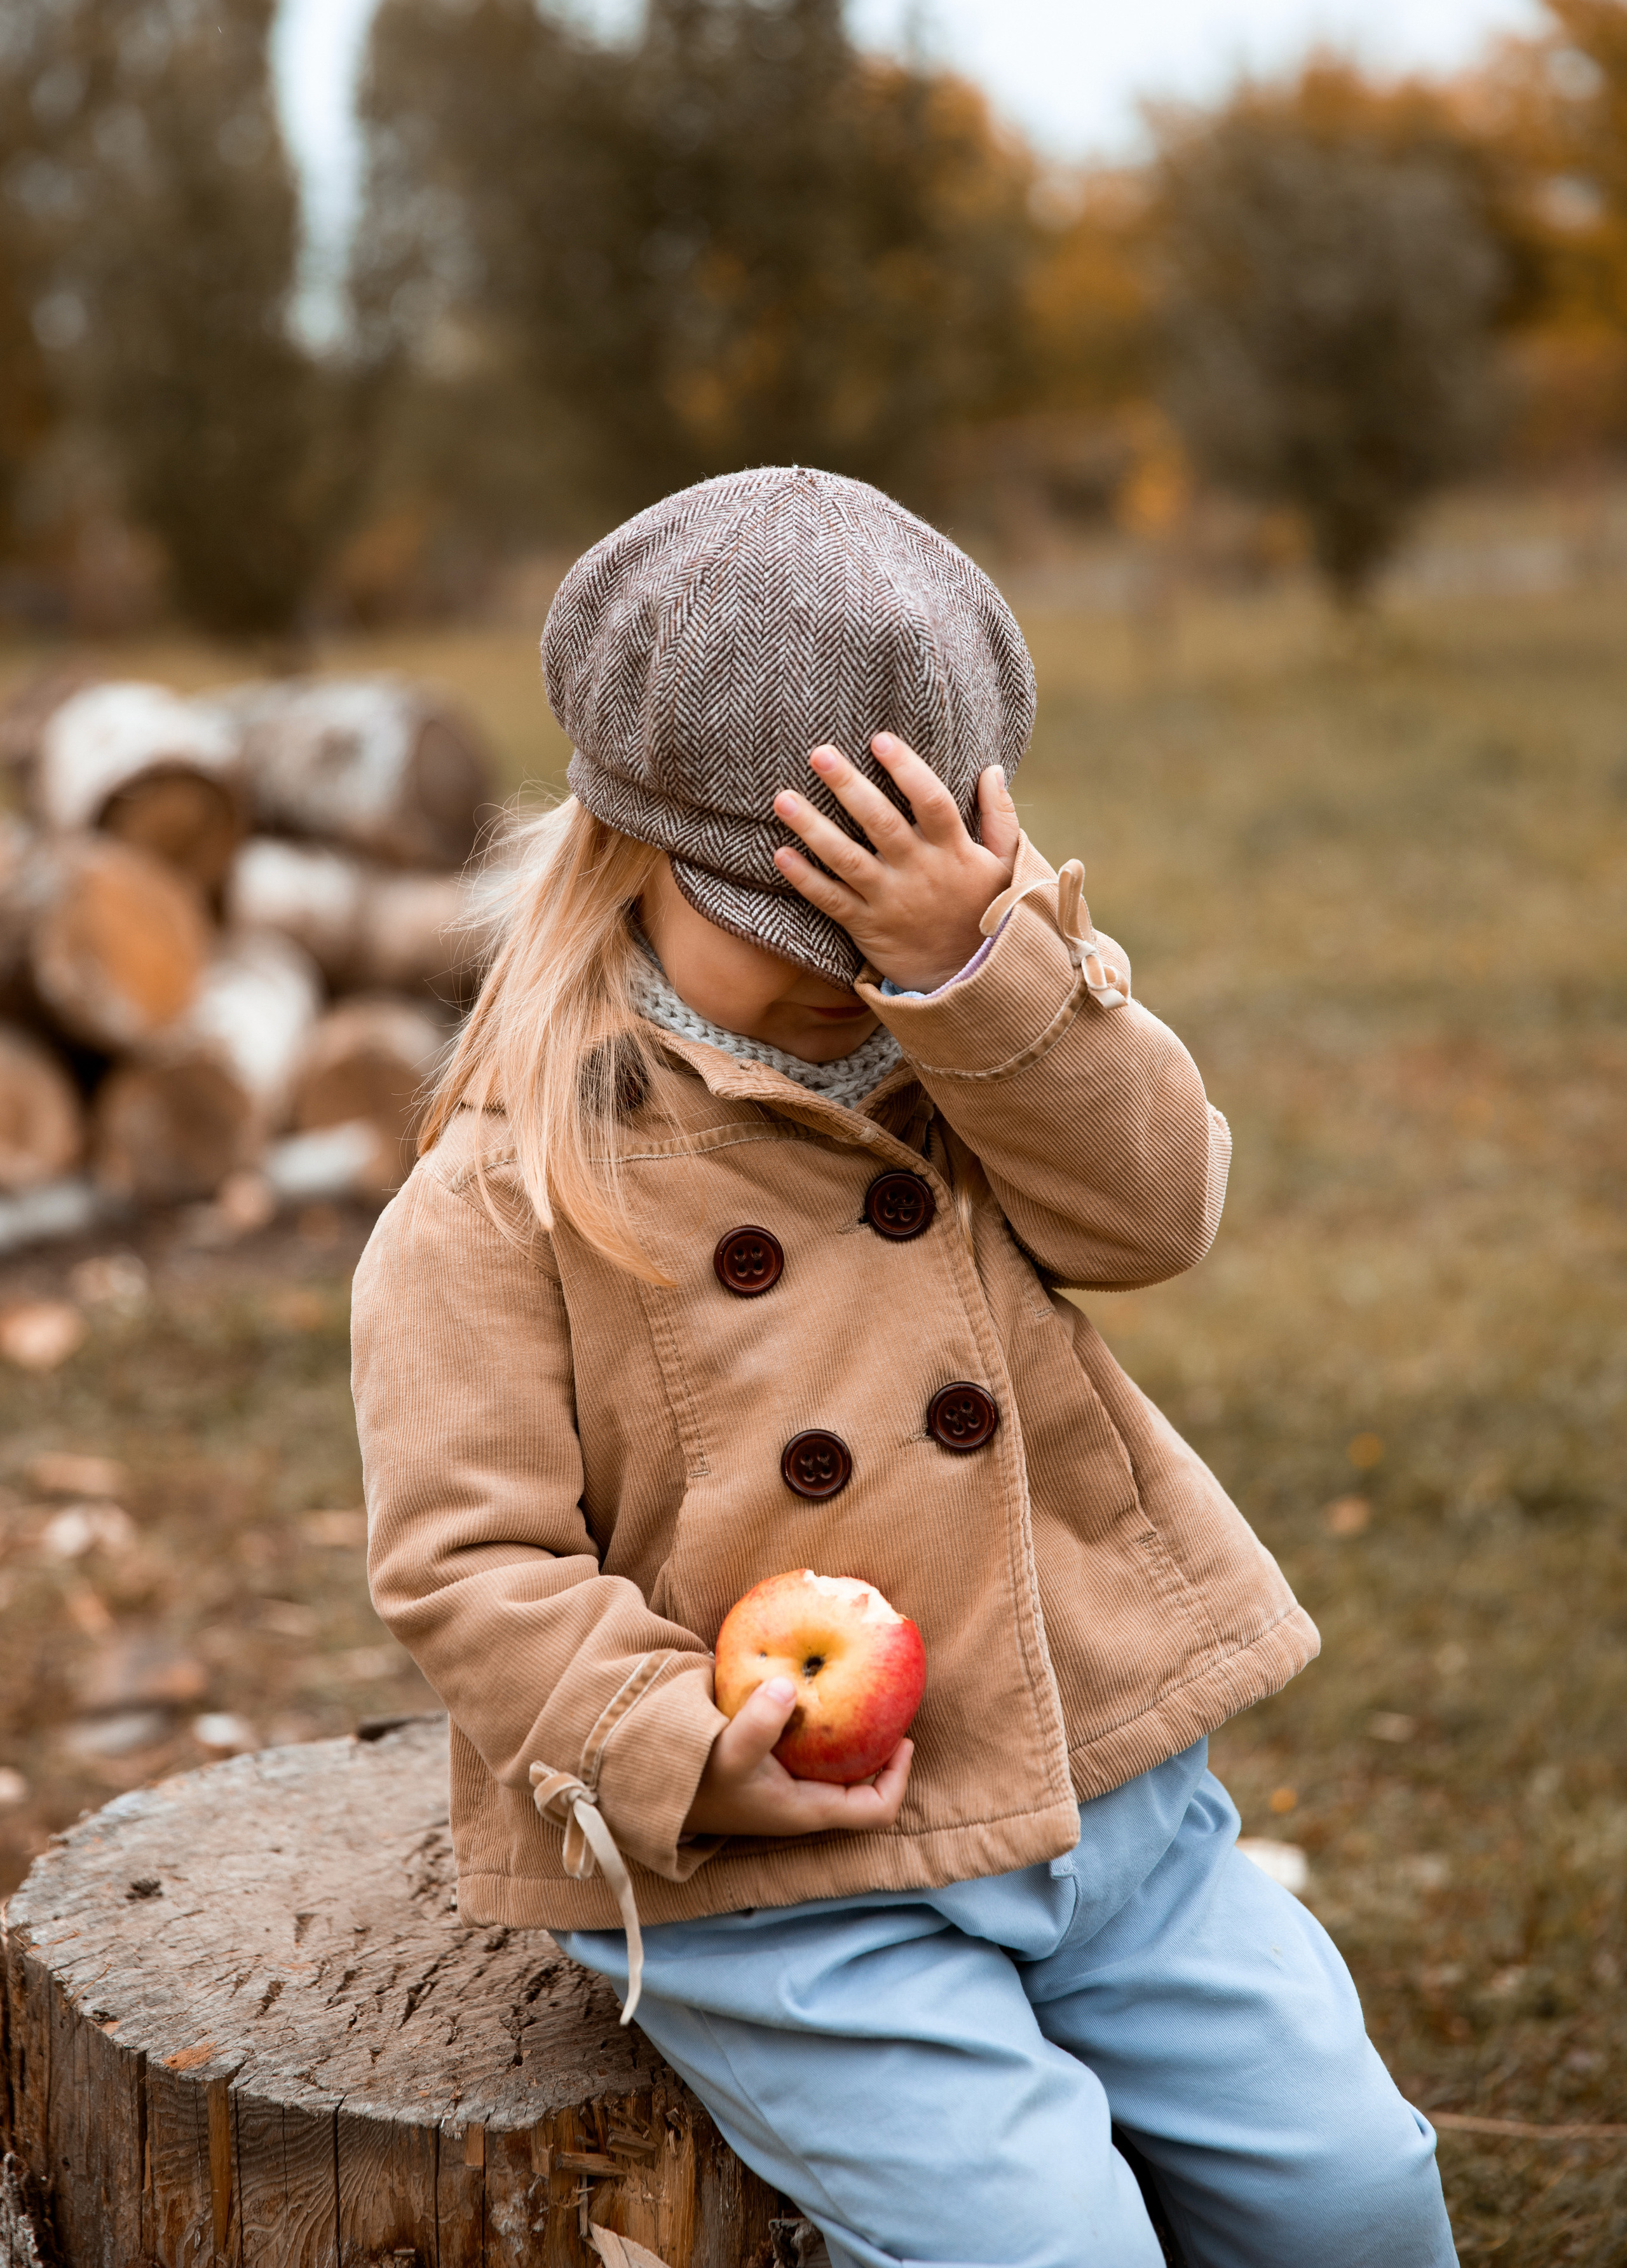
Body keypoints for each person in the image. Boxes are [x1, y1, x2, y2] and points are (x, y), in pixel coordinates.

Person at [352, 466, 1456, 2268]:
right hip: (780, 1880)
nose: (852, 974)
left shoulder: (970, 1054)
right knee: (1053, 2248)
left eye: (897, 917)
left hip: (1105, 1796)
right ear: (627, 859)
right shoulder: (503, 1191)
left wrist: (983, 976)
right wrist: (686, 1749)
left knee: (1358, 2198)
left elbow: (1158, 1215)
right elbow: (466, 1566)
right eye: (797, 923)